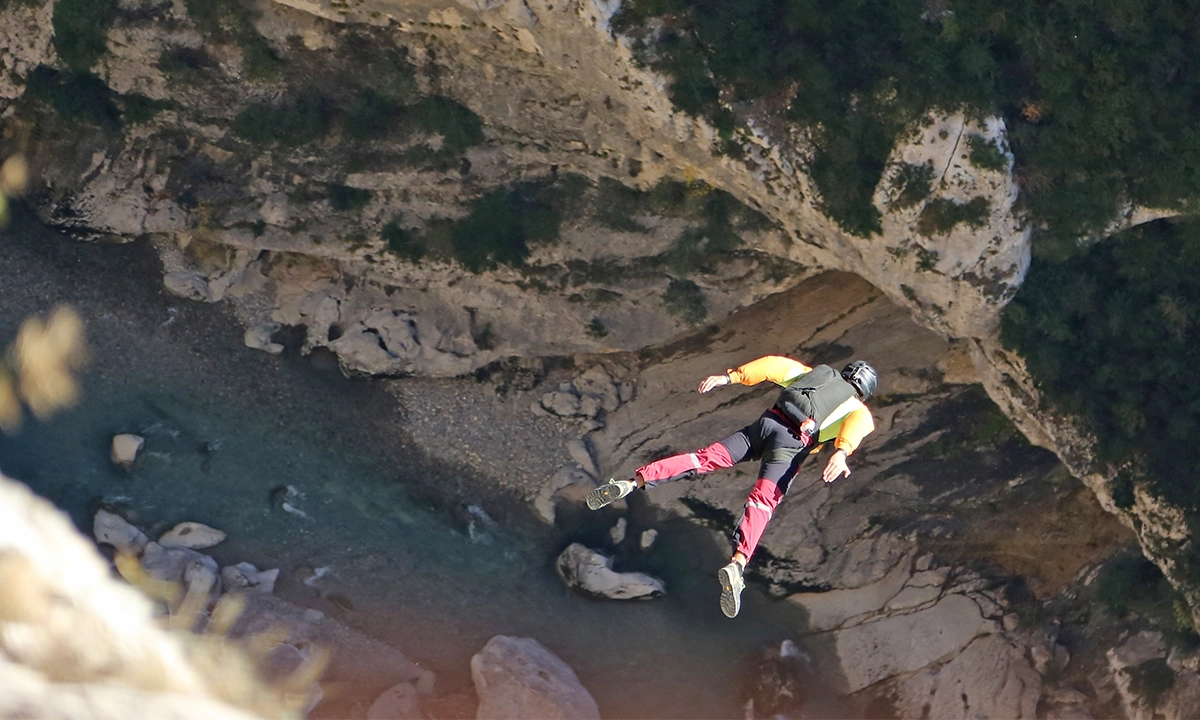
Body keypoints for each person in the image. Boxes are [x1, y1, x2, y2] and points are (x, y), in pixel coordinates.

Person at [587, 356, 877, 618]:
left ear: (845, 372)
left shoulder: (813, 374)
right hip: (789, 447)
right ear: (864, 390)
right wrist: (841, 453)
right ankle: (737, 563)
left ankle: (632, 482)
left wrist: (730, 377)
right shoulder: (858, 409)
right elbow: (858, 427)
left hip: (765, 425)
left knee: (703, 459)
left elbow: (772, 365)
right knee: (763, 501)